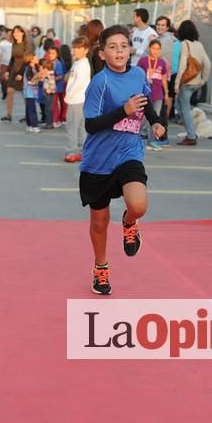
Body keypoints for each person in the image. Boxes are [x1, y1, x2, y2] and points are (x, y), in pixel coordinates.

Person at [79, 25, 165, 295]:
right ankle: (101, 268)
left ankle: (129, 222)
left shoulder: (138, 73)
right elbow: (91, 126)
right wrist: (122, 111)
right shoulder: (99, 83)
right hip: (98, 160)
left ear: (130, 49)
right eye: (112, 47)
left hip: (129, 152)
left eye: (123, 46)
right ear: (102, 53)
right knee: (99, 223)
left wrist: (156, 122)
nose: (119, 51)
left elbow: (145, 102)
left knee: (138, 204)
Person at [174, 20, 212, 146]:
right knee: (180, 105)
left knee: (183, 108)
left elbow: (183, 65)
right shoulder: (199, 45)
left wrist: (176, 83)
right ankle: (191, 132)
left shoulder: (185, 44)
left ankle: (191, 135)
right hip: (196, 82)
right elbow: (207, 63)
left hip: (186, 82)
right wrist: (204, 80)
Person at [136, 39, 169, 150]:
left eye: (157, 49)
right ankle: (141, 138)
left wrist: (167, 93)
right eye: (153, 48)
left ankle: (153, 140)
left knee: (156, 117)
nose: (155, 51)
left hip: (158, 94)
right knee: (144, 116)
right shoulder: (143, 61)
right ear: (149, 48)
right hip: (146, 93)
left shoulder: (162, 62)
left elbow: (164, 78)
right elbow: (137, 75)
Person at [63, 36, 90, 162]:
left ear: (86, 50)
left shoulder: (83, 64)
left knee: (73, 127)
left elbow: (78, 83)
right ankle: (83, 151)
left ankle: (71, 151)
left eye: (79, 48)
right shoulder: (78, 62)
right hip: (79, 99)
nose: (75, 51)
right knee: (80, 127)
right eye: (74, 48)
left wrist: (69, 95)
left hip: (77, 99)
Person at [3, 25, 34, 122]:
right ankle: (8, 115)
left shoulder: (27, 44)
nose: (15, 34)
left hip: (23, 70)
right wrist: (8, 71)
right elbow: (12, 58)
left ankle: (27, 115)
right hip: (14, 70)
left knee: (24, 94)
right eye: (14, 32)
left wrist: (21, 73)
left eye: (17, 32)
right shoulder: (14, 43)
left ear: (22, 33)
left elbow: (27, 60)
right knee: (9, 91)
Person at [22, 53, 43, 133]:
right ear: (31, 60)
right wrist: (39, 77)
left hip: (32, 92)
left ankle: (29, 125)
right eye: (35, 57)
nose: (37, 59)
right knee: (32, 109)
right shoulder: (29, 69)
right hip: (29, 92)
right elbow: (30, 80)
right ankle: (34, 126)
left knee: (29, 109)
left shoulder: (34, 68)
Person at [0, 25, 12, 99]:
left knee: (10, 80)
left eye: (11, 35)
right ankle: (4, 91)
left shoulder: (16, 43)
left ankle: (9, 92)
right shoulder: (2, 44)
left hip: (13, 65)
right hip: (4, 64)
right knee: (2, 79)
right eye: (8, 34)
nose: (9, 36)